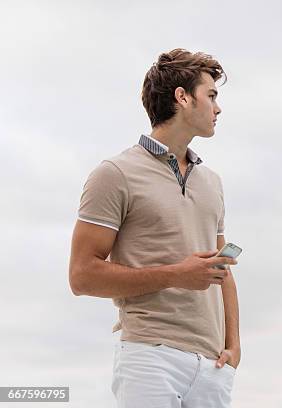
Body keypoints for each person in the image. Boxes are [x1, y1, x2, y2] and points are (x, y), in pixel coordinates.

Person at [68, 48, 241, 407]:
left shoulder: (213, 182)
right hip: (150, 355)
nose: (218, 107)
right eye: (211, 95)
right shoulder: (114, 174)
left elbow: (222, 269)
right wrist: (176, 275)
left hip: (212, 366)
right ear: (182, 97)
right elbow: (82, 276)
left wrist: (234, 346)